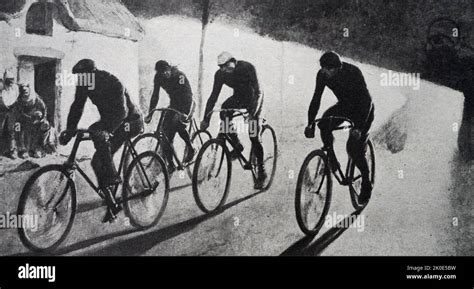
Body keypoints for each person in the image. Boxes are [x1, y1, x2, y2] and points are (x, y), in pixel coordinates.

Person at [59, 59, 144, 223]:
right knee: (96, 161)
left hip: (130, 121)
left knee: (99, 143)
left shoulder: (111, 81)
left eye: (83, 76)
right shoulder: (85, 84)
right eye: (79, 77)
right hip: (112, 119)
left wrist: (107, 131)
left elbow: (122, 111)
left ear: (93, 72)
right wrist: (70, 131)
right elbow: (77, 106)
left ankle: (112, 176)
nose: (81, 80)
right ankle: (112, 203)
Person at [304, 51, 375, 204]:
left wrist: (359, 128)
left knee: (353, 149)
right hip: (344, 107)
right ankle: (331, 159)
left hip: (363, 110)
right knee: (324, 123)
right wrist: (310, 123)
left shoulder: (353, 72)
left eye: (329, 69)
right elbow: (316, 99)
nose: (325, 72)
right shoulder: (322, 75)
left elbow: (366, 102)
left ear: (338, 68)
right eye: (323, 68)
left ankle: (366, 182)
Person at [200, 52, 267, 189]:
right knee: (224, 111)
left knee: (253, 134)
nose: (224, 69)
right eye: (221, 67)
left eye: (226, 66)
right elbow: (213, 96)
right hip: (239, 97)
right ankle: (237, 145)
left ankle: (262, 171)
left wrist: (252, 114)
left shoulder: (247, 67)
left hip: (255, 98)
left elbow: (257, 91)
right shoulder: (220, 75)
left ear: (233, 61)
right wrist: (206, 119)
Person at [146, 60, 195, 172]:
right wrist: (150, 112)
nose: (165, 74)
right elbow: (155, 95)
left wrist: (183, 113)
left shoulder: (179, 76)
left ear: (170, 68)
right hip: (174, 104)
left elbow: (187, 94)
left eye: (166, 71)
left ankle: (191, 147)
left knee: (177, 124)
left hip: (187, 103)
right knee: (165, 134)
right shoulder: (158, 77)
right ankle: (171, 164)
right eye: (162, 73)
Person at [14, 83, 49, 159]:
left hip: (35, 119)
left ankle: (38, 148)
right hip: (24, 120)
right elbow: (20, 112)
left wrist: (43, 118)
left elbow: (44, 108)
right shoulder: (19, 100)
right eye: (23, 91)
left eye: (26, 90)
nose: (25, 92)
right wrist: (30, 117)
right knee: (17, 127)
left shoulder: (36, 98)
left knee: (44, 125)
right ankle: (22, 150)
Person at [0, 69, 20, 159]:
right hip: (2, 111)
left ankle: (12, 150)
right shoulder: (2, 88)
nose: (11, 82)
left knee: (11, 131)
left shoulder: (15, 88)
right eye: (9, 80)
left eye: (12, 80)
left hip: (12, 111)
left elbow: (16, 98)